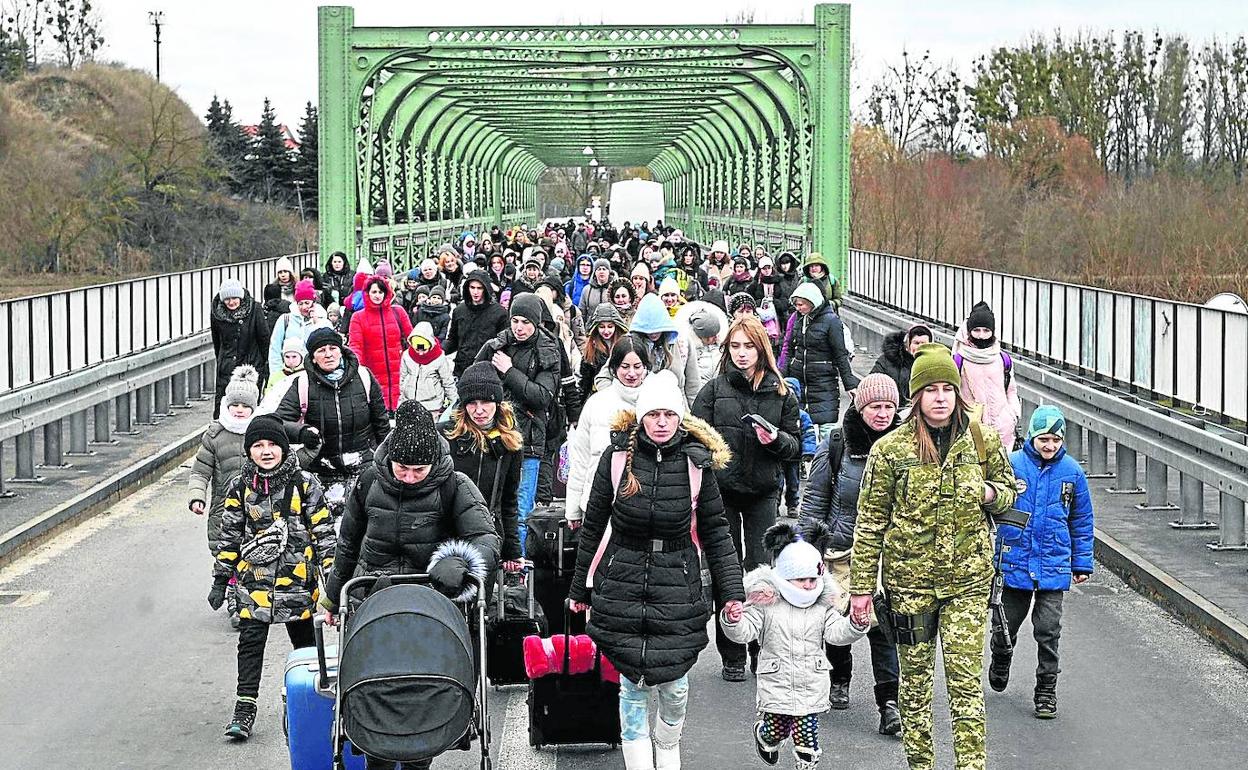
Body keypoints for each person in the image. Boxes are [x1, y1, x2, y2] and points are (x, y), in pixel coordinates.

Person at [848, 343, 1018, 770]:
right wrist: (862, 589)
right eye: (931, 389)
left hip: (968, 582)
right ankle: (920, 765)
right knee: (915, 686)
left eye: (947, 388)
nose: (940, 397)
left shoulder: (981, 439)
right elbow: (870, 521)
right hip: (911, 586)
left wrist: (990, 493)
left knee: (965, 687)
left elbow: (1011, 491)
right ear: (917, 395)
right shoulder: (891, 450)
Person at [568, 371, 745, 770]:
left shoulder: (697, 465)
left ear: (680, 418)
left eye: (669, 414)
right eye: (654, 414)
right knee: (630, 684)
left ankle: (667, 746)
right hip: (622, 582)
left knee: (675, 683)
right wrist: (579, 590)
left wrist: (732, 592)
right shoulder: (615, 461)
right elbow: (594, 526)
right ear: (641, 417)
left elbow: (717, 532)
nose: (661, 422)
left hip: (676, 584)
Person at [325, 400, 501, 770]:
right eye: (401, 469)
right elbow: (348, 541)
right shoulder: (369, 481)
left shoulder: (455, 486)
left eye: (417, 470)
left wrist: (461, 562)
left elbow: (486, 539)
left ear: (432, 462)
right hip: (373, 597)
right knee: (375, 691)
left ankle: (421, 753)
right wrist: (331, 597)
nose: (408, 476)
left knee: (422, 699)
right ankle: (376, 752)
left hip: (431, 603)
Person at [211, 414, 335, 741]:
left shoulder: (304, 484)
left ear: (283, 447)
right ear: (249, 450)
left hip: (296, 583)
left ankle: (309, 702)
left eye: (272, 445)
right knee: (250, 643)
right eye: (258, 445)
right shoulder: (239, 486)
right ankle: (245, 706)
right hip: (254, 585)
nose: (266, 451)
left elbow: (324, 536)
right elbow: (230, 536)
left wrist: (333, 587)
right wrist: (221, 579)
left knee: (305, 646)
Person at [692, 316, 802, 682]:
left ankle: (760, 647)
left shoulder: (781, 392)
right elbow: (694, 440)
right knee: (727, 569)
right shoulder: (712, 390)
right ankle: (732, 651)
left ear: (761, 350)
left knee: (760, 572)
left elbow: (795, 446)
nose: (742, 354)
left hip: (763, 491)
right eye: (735, 347)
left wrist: (776, 441)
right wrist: (708, 460)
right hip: (720, 491)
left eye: (748, 347)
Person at [799, 373, 903, 735]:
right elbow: (815, 498)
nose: (883, 413)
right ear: (861, 408)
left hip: (887, 553)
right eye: (876, 406)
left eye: (889, 406)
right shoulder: (838, 442)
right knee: (837, 622)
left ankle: (889, 703)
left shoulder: (907, 443)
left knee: (883, 628)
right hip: (840, 550)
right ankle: (839, 675)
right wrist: (806, 549)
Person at [721, 522, 868, 770]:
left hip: (810, 683)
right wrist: (733, 620)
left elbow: (835, 633)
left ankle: (805, 763)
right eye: (802, 580)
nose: (809, 585)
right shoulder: (765, 602)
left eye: (813, 578)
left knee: (807, 740)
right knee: (775, 730)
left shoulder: (822, 603)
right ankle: (765, 737)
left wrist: (854, 624)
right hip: (776, 683)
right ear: (786, 576)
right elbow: (744, 632)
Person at [989, 405, 1093, 719]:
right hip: (1015, 562)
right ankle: (1001, 656)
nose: (1049, 446)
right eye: (1044, 439)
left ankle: (1046, 688)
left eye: (1055, 441)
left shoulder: (1072, 473)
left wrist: (1081, 562)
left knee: (1049, 630)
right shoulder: (1012, 465)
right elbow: (993, 507)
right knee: (1004, 625)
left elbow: (1082, 519)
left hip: (1054, 564)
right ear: (1032, 436)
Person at [474, 294, 562, 550]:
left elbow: (542, 396)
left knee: (520, 511)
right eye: (515, 320)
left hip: (529, 440)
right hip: (492, 436)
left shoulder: (547, 350)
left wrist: (509, 372)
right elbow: (472, 381)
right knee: (486, 507)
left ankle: (517, 569)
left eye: (525, 322)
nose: (519, 327)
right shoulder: (495, 346)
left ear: (535, 323)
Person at [274, 327, 390, 493]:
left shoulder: (364, 377)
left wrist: (386, 459)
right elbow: (278, 423)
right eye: (321, 350)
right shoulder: (303, 384)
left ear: (341, 351)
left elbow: (381, 422)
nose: (328, 354)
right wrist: (302, 433)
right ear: (313, 358)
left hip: (365, 466)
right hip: (322, 470)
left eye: (333, 348)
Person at [189, 365, 259, 627]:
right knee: (228, 553)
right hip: (223, 509)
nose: (239, 410)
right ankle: (233, 595)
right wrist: (197, 496)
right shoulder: (214, 435)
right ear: (226, 404)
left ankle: (246, 597)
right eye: (235, 405)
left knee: (254, 553)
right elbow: (200, 470)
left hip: (257, 509)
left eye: (245, 405)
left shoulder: (261, 434)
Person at [444, 363, 525, 572]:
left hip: (488, 534)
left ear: (497, 403)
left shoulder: (510, 443)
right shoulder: (447, 436)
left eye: (486, 402)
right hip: (448, 533)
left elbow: (508, 500)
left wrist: (512, 550)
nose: (479, 410)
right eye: (472, 403)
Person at [565, 337, 650, 526]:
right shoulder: (596, 403)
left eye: (637, 366)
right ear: (614, 368)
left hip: (641, 508)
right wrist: (573, 509)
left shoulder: (656, 405)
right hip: (597, 504)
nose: (631, 373)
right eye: (625, 366)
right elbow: (581, 459)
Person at [782, 283, 859, 440]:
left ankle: (828, 460)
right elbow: (789, 348)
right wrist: (782, 374)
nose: (798, 308)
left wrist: (849, 383)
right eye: (796, 304)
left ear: (812, 302)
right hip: (800, 381)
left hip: (823, 381)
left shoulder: (832, 322)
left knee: (826, 428)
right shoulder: (797, 319)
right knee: (802, 426)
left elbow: (840, 354)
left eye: (801, 304)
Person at [953, 302, 1021, 449]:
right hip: (970, 432)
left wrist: (1012, 415)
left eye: (986, 330)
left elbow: (1011, 391)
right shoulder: (959, 360)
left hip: (1003, 434)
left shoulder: (1004, 359)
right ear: (969, 331)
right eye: (976, 330)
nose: (981, 336)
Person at [348, 275, 413, 413]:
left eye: (380, 292)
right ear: (367, 293)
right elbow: (356, 346)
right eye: (374, 292)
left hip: (399, 370)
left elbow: (411, 338)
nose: (377, 295)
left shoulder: (398, 312)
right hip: (372, 371)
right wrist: (355, 366)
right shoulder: (358, 317)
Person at [626, 294, 701, 407]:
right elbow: (605, 377)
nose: (653, 333)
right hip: (642, 409)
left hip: (677, 409)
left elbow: (693, 385)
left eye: (657, 328)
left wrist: (694, 416)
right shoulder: (629, 344)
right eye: (648, 329)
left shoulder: (682, 343)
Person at [209, 278, 269, 419]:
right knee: (224, 407)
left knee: (248, 407)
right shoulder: (217, 313)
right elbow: (217, 341)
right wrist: (222, 361)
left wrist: (266, 366)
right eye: (227, 299)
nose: (231, 302)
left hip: (251, 367)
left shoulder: (255, 309)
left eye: (234, 298)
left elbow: (264, 339)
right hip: (227, 367)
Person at [444, 271, 510, 378]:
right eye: (472, 287)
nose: (475, 292)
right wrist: (440, 349)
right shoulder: (459, 311)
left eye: (479, 288)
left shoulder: (500, 313)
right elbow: (453, 340)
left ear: (486, 289)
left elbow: (504, 344)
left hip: (488, 370)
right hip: (462, 368)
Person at [398, 322, 457, 419]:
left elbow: (448, 382)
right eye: (417, 349)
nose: (420, 353)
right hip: (409, 404)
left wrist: (455, 404)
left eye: (423, 350)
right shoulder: (406, 356)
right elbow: (402, 379)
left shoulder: (439, 358)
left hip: (432, 407)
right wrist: (400, 403)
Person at [268, 279, 325, 378]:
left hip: (315, 375)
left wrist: (316, 322)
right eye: (300, 303)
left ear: (313, 302)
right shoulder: (285, 320)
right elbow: (275, 349)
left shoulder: (323, 320)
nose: (304, 307)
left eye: (307, 303)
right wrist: (277, 375)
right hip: (288, 373)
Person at [779, 378, 817, 515]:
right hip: (778, 455)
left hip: (794, 457)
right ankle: (774, 505)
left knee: (793, 483)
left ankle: (793, 505)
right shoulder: (777, 411)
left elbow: (809, 434)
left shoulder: (802, 416)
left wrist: (808, 451)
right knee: (776, 483)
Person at [871, 324, 933, 407]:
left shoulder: (935, 366)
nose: (920, 347)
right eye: (916, 343)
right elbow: (871, 386)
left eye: (924, 344)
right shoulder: (887, 361)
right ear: (907, 345)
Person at [580, 303, 628, 399]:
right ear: (596, 328)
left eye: (610, 326)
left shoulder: (625, 345)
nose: (606, 331)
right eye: (602, 327)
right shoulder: (591, 348)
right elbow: (585, 380)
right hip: (598, 395)